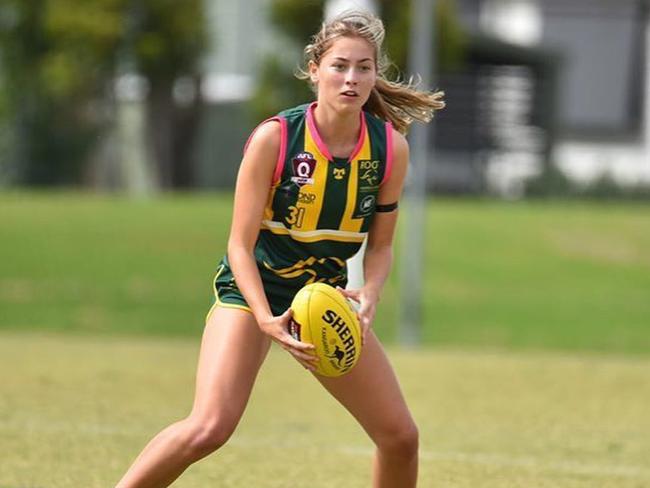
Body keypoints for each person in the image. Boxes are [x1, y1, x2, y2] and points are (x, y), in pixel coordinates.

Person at [115, 10, 444, 488]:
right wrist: (264, 317)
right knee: (209, 428)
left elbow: (381, 246)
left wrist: (371, 290)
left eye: (364, 68)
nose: (351, 78)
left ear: (376, 74)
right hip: (251, 294)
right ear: (315, 70)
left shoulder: (390, 150)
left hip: (319, 298)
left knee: (400, 437)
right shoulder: (276, 138)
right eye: (339, 66)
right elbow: (239, 245)